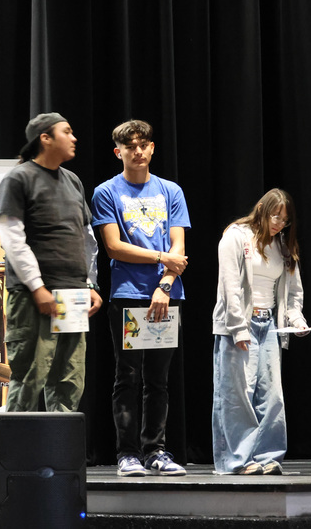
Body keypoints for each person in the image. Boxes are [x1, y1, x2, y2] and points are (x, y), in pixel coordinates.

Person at [91, 119, 190, 477]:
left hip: (166, 295)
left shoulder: (170, 190)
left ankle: (156, 451)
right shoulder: (107, 192)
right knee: (128, 376)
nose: (138, 150)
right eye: (130, 146)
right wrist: (163, 259)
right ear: (118, 152)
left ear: (152, 149)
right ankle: (127, 453)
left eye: (143, 144)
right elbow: (114, 247)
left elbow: (179, 245)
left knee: (159, 379)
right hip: (128, 295)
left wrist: (165, 285)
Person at [0, 113, 103, 412]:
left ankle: (57, 456)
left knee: (69, 378)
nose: (74, 138)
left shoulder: (73, 181)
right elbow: (12, 238)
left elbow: (86, 237)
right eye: (66, 132)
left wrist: (89, 283)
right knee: (31, 374)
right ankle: (16, 457)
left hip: (73, 295)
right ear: (45, 138)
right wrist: (37, 287)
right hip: (33, 297)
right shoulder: (19, 178)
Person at [212, 189, 307, 475]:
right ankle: (237, 460)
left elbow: (292, 294)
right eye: (276, 216)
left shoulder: (283, 246)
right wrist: (239, 328)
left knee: (272, 396)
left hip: (270, 327)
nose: (279, 223)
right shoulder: (236, 236)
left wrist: (296, 319)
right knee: (237, 394)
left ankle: (268, 457)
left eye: (285, 220)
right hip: (239, 325)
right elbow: (229, 286)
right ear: (263, 209)